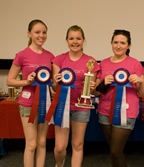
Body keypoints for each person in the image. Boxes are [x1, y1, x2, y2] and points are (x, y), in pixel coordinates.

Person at [94, 29, 144, 167]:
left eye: (122, 43)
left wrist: (140, 82)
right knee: (114, 151)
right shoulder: (103, 64)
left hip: (127, 112)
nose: (118, 46)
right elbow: (95, 93)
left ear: (128, 45)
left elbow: (143, 94)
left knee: (115, 151)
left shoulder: (135, 64)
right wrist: (103, 83)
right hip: (104, 112)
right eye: (115, 42)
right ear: (111, 43)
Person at [6, 19, 54, 167]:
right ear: (29, 33)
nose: (41, 35)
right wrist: (26, 82)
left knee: (42, 142)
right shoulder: (22, 55)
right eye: (37, 32)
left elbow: (52, 82)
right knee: (31, 144)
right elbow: (10, 80)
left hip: (45, 103)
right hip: (28, 104)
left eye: (44, 32)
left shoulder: (50, 56)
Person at [52, 25, 99, 167]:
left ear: (83, 40)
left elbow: (92, 91)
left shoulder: (91, 62)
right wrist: (56, 80)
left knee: (77, 144)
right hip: (62, 106)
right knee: (60, 147)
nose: (75, 41)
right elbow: (54, 87)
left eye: (78, 38)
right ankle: (59, 164)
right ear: (67, 40)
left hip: (81, 107)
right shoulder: (58, 59)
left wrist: (93, 87)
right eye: (71, 38)